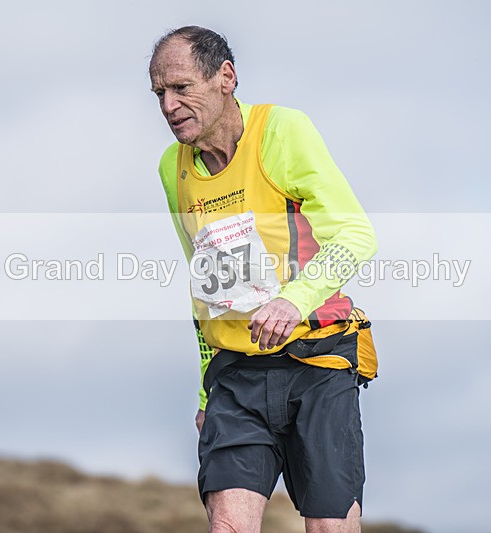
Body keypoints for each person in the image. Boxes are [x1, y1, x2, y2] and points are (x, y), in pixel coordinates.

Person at [150, 26, 378, 533]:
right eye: (159, 93)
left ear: (225, 77)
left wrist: (294, 300)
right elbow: (202, 291)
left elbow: (356, 235)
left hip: (317, 360)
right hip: (235, 377)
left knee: (329, 527)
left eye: (181, 88)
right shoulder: (173, 168)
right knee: (227, 526)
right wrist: (207, 394)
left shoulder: (282, 131)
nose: (168, 105)